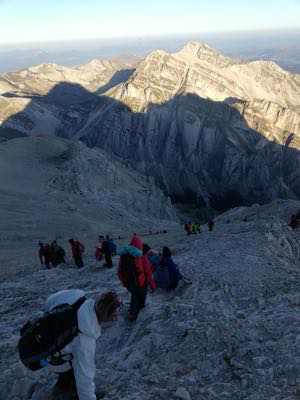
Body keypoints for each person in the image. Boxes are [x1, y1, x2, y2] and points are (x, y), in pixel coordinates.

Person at [45, 289, 121, 400]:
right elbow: (85, 379)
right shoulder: (84, 340)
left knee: (73, 357)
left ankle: (63, 386)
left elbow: (50, 300)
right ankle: (64, 391)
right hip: (50, 357)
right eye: (113, 315)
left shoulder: (78, 296)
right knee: (78, 367)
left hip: (45, 338)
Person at [118, 235, 156, 321]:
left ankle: (133, 313)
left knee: (134, 295)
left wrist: (124, 281)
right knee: (140, 295)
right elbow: (148, 272)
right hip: (141, 281)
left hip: (128, 282)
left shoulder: (123, 255)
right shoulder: (141, 255)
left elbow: (119, 271)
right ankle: (139, 308)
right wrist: (152, 285)